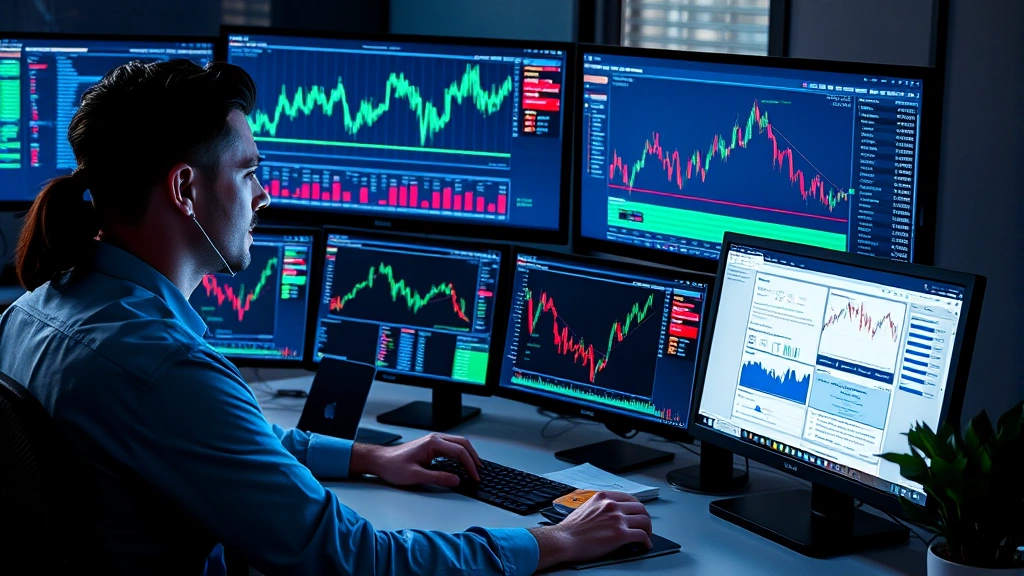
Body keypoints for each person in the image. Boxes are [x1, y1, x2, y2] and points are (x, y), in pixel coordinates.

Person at [0, 59, 653, 575]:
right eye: (249, 171)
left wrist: (370, 456)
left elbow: (215, 443)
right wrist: (553, 542)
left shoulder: (39, 308)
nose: (265, 195)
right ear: (184, 190)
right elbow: (349, 559)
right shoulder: (165, 368)